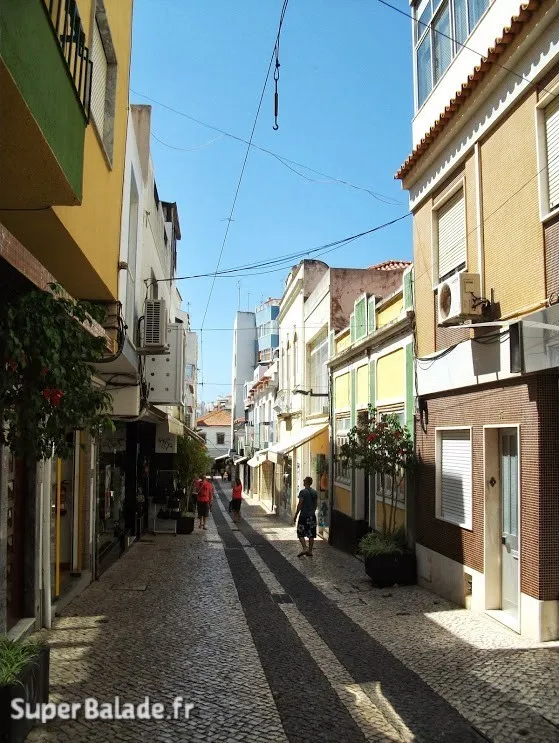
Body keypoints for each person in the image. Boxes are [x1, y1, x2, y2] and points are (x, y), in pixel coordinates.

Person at [293, 476, 318, 557]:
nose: (303, 481)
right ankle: (310, 551)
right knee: (311, 534)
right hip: (312, 516)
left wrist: (296, 514)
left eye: (304, 480)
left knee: (300, 533)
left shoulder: (303, 492)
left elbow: (300, 504)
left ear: (306, 482)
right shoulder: (314, 492)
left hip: (304, 516)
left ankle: (304, 548)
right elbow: (316, 504)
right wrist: (312, 511)